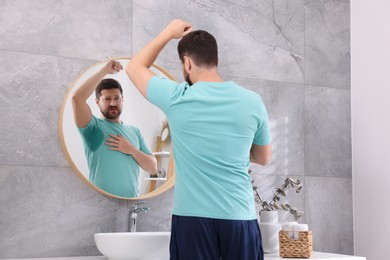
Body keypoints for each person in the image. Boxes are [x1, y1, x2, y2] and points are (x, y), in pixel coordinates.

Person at [126, 19, 272, 260]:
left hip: (192, 219)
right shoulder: (252, 101)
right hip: (239, 217)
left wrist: (168, 33)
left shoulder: (176, 97)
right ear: (216, 60)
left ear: (187, 62)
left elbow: (134, 67)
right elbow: (263, 157)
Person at [72, 60, 157, 198]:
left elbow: (152, 167)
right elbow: (77, 99)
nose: (113, 103)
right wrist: (104, 71)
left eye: (117, 98)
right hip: (100, 205)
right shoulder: (93, 127)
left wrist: (131, 150)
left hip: (130, 203)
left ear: (122, 99)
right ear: (97, 102)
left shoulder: (135, 131)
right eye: (107, 99)